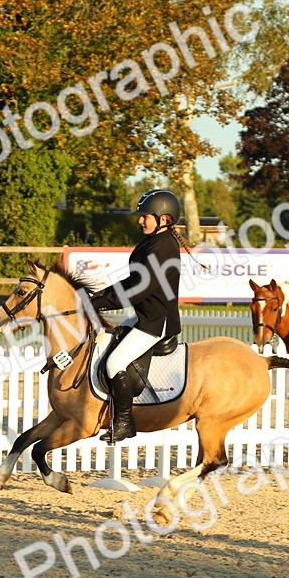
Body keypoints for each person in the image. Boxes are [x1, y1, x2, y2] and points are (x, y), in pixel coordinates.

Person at [90, 189, 184, 444]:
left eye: (146, 216)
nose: (141, 220)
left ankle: (124, 423)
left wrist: (99, 304)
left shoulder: (163, 247)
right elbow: (130, 281)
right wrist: (97, 297)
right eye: (141, 216)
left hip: (157, 322)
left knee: (114, 363)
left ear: (163, 218)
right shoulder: (152, 242)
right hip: (144, 316)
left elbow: (138, 289)